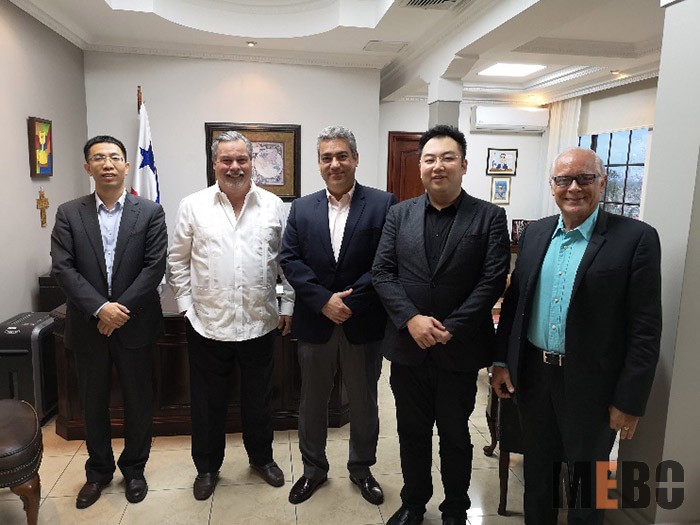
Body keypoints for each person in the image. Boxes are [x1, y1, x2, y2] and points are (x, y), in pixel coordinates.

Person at [492, 147, 662, 525]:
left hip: (594, 386)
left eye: (585, 178)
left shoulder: (635, 238)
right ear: (552, 186)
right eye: (564, 179)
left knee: (589, 485)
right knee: (539, 477)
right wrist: (502, 361)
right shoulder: (535, 234)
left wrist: (629, 399)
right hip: (535, 377)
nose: (574, 188)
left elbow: (646, 328)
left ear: (602, 183)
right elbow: (515, 305)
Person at [372, 124, 510, 525]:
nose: (438, 166)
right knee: (411, 433)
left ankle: (455, 509)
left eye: (448, 158)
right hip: (408, 349)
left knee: (455, 435)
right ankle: (414, 503)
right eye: (430, 159)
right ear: (420, 166)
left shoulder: (489, 217)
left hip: (458, 350)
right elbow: (382, 272)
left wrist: (452, 327)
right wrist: (411, 319)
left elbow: (491, 280)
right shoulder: (399, 214)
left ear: (464, 165)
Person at [167, 131, 294, 501]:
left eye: (242, 159)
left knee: (259, 400)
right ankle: (207, 468)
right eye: (227, 160)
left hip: (260, 323)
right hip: (208, 325)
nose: (234, 167)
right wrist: (187, 308)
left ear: (253, 163)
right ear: (214, 164)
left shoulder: (273, 206)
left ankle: (262, 459)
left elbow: (287, 262)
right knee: (208, 404)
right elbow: (177, 261)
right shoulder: (193, 206)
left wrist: (287, 305)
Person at [280, 125, 396, 505]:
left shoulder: (382, 204)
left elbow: (386, 260)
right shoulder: (301, 208)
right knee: (312, 402)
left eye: (342, 156)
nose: (335, 164)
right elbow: (290, 259)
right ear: (318, 163)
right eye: (327, 157)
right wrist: (323, 301)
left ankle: (361, 469)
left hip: (363, 323)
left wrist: (349, 302)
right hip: (316, 322)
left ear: (355, 159)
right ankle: (313, 470)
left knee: (363, 403)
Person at [51, 135, 167, 508]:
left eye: (115, 157)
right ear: (88, 167)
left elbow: (154, 267)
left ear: (127, 166)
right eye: (99, 158)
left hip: (136, 325)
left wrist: (118, 311)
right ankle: (99, 472)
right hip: (89, 326)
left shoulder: (150, 212)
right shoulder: (69, 213)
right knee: (93, 403)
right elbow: (63, 269)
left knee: (138, 401)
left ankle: (134, 469)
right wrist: (101, 309)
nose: (108, 164)